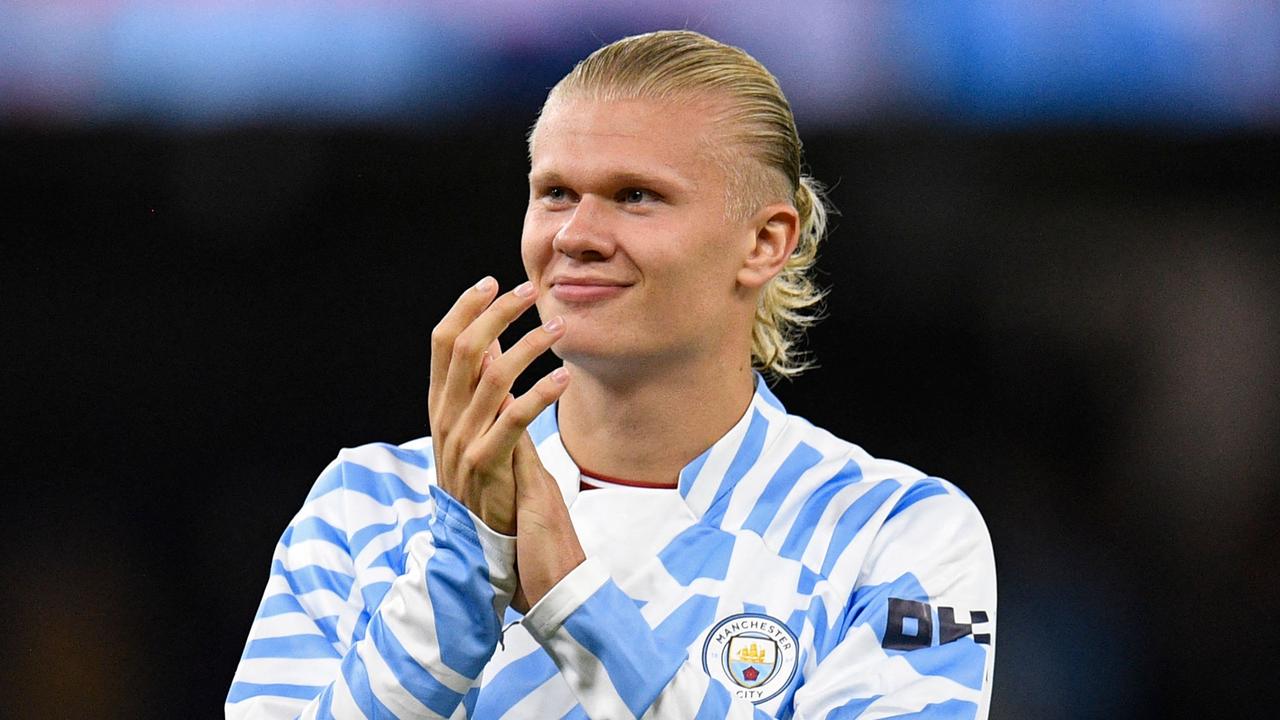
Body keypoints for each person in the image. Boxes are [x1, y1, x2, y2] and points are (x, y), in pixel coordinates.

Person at [228, 30, 996, 719]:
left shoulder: (894, 533)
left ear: (764, 242)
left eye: (636, 197)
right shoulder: (367, 507)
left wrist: (576, 602)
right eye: (555, 193)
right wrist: (457, 582)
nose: (577, 235)